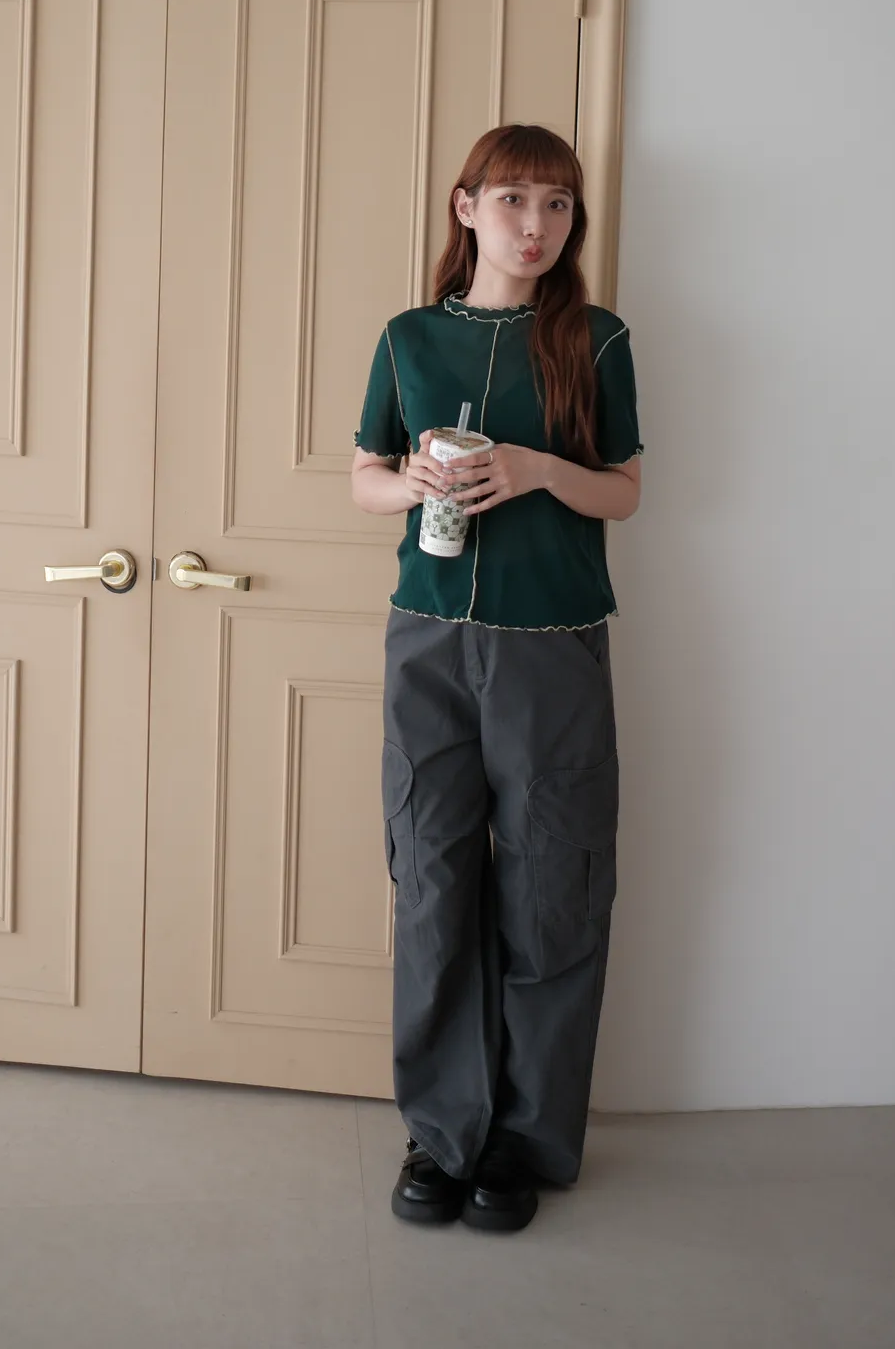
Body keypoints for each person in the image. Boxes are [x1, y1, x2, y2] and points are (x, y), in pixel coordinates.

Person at [350, 122, 643, 1232]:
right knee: (432, 880)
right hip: (427, 640)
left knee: (550, 886)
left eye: (558, 203)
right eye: (515, 199)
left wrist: (535, 470)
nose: (537, 224)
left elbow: (624, 494)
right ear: (466, 207)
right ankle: (441, 1133)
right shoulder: (408, 338)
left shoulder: (596, 340)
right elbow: (364, 479)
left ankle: (520, 1138)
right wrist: (412, 482)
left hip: (550, 644)